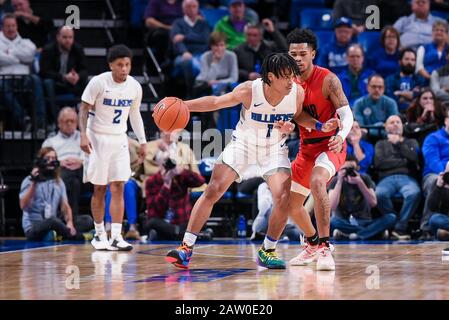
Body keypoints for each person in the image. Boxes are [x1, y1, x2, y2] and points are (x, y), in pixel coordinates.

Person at [163, 52, 340, 269]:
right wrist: (184, 104)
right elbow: (217, 102)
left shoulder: (296, 92)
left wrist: (317, 126)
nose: (291, 81)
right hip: (243, 145)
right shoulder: (250, 90)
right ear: (271, 77)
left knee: (284, 197)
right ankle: (186, 248)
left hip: (274, 149)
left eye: (293, 75)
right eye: (286, 76)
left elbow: (298, 116)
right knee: (214, 189)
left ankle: (268, 250)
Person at [286, 28, 354, 271]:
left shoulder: (328, 79)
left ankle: (325, 246)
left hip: (331, 145)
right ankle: (312, 243)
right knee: (288, 202)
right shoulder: (288, 84)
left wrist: (340, 134)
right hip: (307, 148)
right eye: (293, 54)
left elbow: (347, 114)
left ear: (313, 54)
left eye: (303, 54)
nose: (298, 59)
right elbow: (298, 116)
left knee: (317, 182)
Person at [79, 45, 147, 251]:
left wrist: (142, 141)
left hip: (119, 138)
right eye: (120, 65)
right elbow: (83, 108)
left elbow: (135, 115)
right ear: (111, 65)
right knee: (99, 188)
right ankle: (100, 234)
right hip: (97, 137)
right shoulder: (98, 82)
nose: (124, 69)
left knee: (119, 185)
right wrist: (82, 134)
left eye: (127, 64)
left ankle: (116, 236)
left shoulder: (135, 86)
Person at [19, 147, 89, 241]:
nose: (51, 161)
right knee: (53, 221)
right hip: (34, 227)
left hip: (54, 223)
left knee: (87, 220)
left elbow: (65, 206)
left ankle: (57, 235)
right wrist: (33, 183)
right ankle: (79, 236)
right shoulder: (28, 181)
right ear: (40, 160)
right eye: (48, 158)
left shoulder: (58, 182)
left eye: (54, 158)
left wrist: (70, 223)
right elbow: (23, 205)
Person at [374, 115, 421, 240]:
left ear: (402, 125)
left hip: (406, 177)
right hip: (386, 178)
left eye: (398, 122)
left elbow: (414, 159)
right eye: (391, 122)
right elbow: (379, 163)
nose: (395, 124)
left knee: (414, 193)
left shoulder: (411, 142)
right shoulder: (381, 143)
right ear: (386, 127)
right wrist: (402, 161)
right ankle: (394, 222)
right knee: (379, 194)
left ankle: (399, 227)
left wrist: (399, 144)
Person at [330, 155, 396, 240]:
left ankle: (351, 236)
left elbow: (373, 203)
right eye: (344, 169)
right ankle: (372, 233)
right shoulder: (335, 180)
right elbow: (332, 206)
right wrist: (339, 181)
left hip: (364, 221)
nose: (348, 171)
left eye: (351, 168)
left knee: (391, 217)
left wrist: (360, 182)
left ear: (358, 168)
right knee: (332, 221)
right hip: (344, 222)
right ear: (339, 169)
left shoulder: (365, 178)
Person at [0, 13, 46, 130]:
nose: (11, 29)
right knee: (1, 85)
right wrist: (19, 58)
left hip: (24, 78)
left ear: (17, 27)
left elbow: (30, 55)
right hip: (5, 79)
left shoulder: (26, 42)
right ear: (2, 27)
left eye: (13, 26)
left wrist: (9, 53)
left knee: (36, 80)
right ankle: (24, 119)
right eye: (8, 26)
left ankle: (40, 122)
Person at [145, 156, 205, 240]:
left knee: (201, 216)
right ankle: (184, 235)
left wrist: (182, 171)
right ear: (158, 164)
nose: (167, 166)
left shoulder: (181, 176)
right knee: (151, 223)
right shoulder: (152, 181)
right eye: (165, 163)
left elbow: (201, 181)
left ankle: (175, 234)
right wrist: (166, 185)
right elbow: (155, 209)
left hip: (183, 222)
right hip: (164, 222)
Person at [42, 107, 84, 220]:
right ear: (59, 123)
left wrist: (80, 162)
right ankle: (72, 220)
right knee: (73, 182)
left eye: (73, 121)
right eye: (66, 121)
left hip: (82, 173)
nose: (70, 124)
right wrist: (59, 162)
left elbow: (92, 157)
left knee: (75, 174)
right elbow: (43, 162)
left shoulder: (83, 138)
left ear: (77, 123)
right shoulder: (50, 141)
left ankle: (61, 219)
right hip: (61, 171)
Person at [39, 26, 88, 122]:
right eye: (64, 37)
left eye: (70, 37)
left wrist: (77, 76)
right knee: (48, 83)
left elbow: (85, 70)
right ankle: (55, 119)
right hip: (55, 83)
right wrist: (63, 77)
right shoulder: (48, 50)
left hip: (72, 84)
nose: (68, 40)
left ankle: (83, 119)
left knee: (88, 83)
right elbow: (44, 71)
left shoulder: (78, 49)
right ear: (58, 37)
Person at [170, 0, 210, 98]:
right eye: (188, 6)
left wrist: (185, 37)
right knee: (188, 61)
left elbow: (205, 39)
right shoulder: (177, 23)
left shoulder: (203, 23)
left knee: (207, 60)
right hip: (183, 55)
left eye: (194, 6)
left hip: (202, 54)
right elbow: (176, 42)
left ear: (198, 8)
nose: (191, 9)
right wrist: (184, 52)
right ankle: (191, 93)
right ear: (183, 9)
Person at [420, 106, 449, 238]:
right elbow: (432, 161)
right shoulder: (433, 138)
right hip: (434, 174)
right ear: (446, 121)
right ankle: (426, 228)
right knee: (434, 181)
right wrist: (445, 175)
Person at [144, 0, 183, 66]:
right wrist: (168, 27)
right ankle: (167, 62)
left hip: (181, 30)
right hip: (163, 30)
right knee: (162, 35)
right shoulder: (155, 2)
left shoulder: (184, 2)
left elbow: (199, 18)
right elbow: (148, 21)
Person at [428, 161, 449, 240]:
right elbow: (431, 207)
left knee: (441, 233)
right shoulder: (440, 183)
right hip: (446, 221)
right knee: (435, 219)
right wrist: (438, 187)